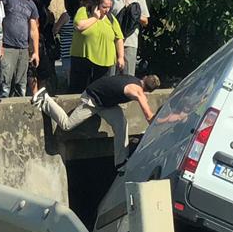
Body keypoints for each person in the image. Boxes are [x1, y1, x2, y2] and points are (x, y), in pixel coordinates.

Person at [33, 71, 161, 173]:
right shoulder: (138, 92)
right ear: (148, 91)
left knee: (121, 125)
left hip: (107, 103)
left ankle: (121, 162)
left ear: (144, 77)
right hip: (93, 100)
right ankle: (45, 99)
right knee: (66, 125)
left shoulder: (133, 79)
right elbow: (149, 117)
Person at [68, 0, 122, 91]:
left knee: (100, 89)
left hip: (104, 60)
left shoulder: (110, 18)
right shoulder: (84, 11)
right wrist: (95, 18)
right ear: (97, 5)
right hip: (83, 58)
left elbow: (119, 37)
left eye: (109, 7)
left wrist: (120, 57)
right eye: (104, 7)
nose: (106, 10)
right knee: (79, 88)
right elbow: (79, 26)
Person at [0, 0, 42, 98]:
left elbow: (34, 30)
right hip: (7, 47)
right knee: (5, 83)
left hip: (23, 49)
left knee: (21, 84)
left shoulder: (31, 5)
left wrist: (35, 52)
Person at [110, 0, 150, 76]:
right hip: (112, 41)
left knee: (128, 76)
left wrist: (134, 15)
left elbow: (145, 21)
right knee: (112, 75)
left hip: (130, 42)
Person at [53, 0, 82, 92]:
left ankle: (71, 92)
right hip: (78, 49)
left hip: (66, 50)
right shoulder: (81, 15)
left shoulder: (66, 16)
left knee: (69, 76)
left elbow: (55, 30)